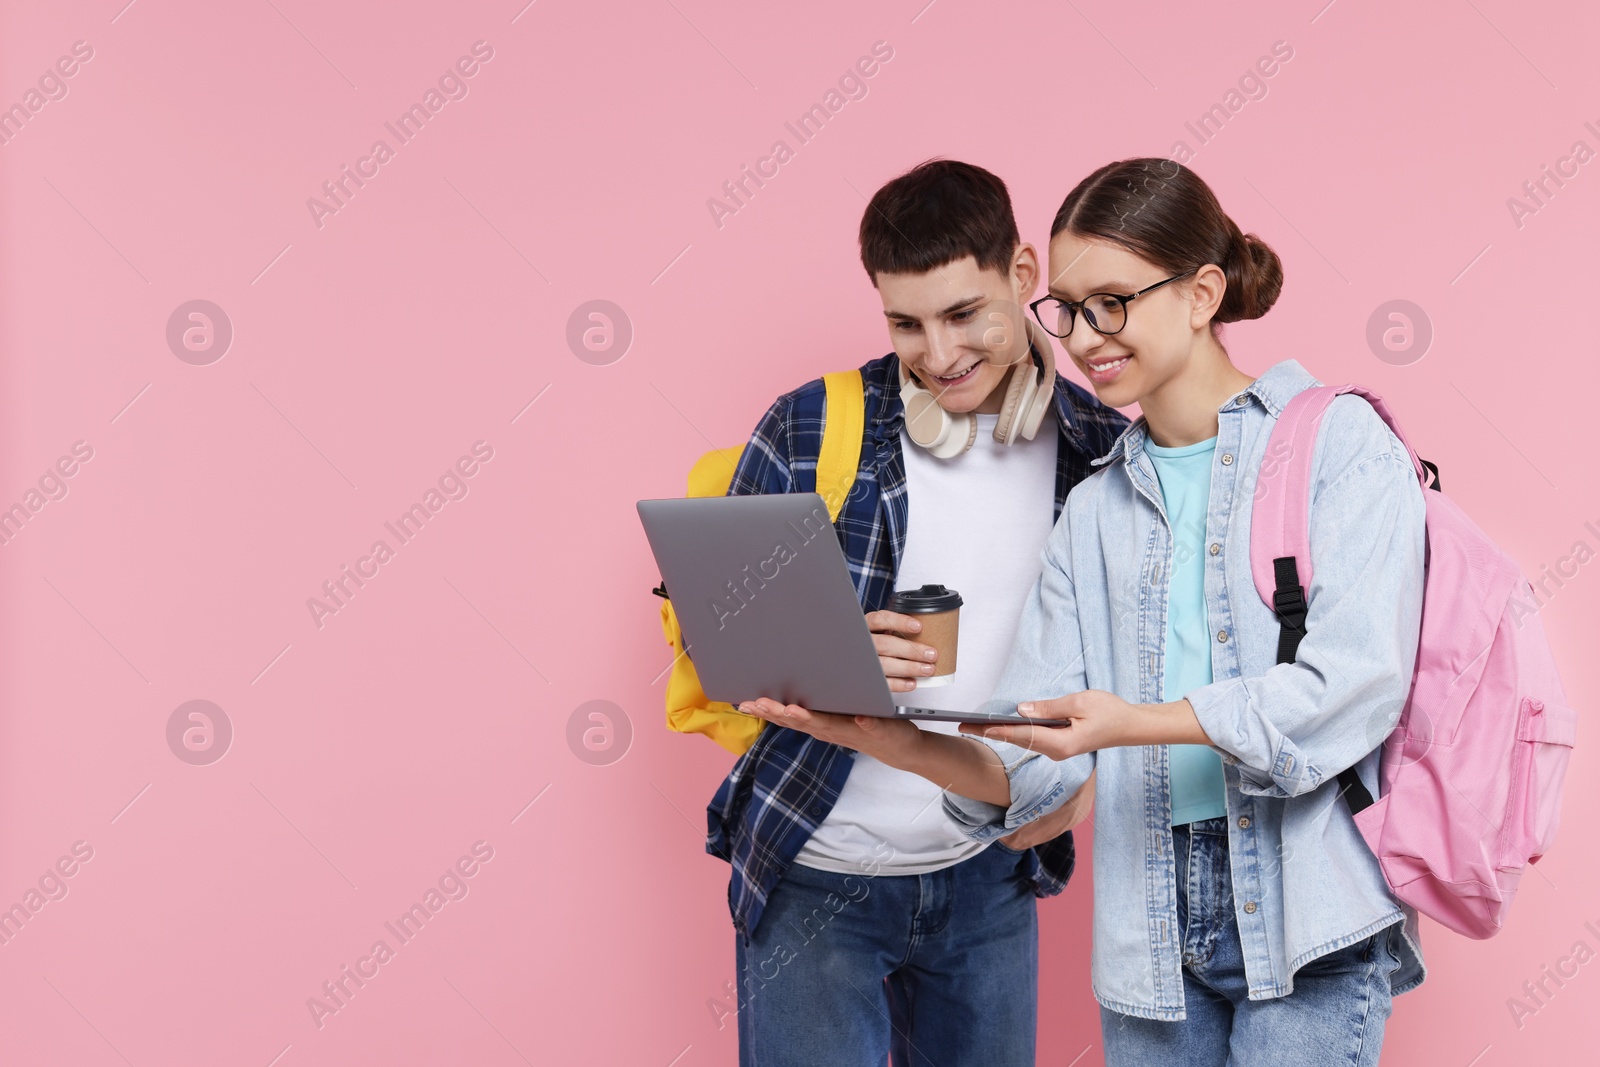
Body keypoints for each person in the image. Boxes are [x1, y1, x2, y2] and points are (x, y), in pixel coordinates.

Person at [742, 157, 1428, 1066]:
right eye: (1070, 311)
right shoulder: (1099, 503)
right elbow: (1035, 755)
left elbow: (1356, 685)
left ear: (1202, 292)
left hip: (1306, 904)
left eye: (1113, 302)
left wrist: (1132, 725)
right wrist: (876, 729)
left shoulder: (1335, 441)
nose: (1084, 336)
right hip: (1145, 925)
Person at [710, 159, 1123, 1067]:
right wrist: (824, 647)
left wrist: (1085, 789)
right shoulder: (810, 423)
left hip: (991, 878)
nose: (937, 354)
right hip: (816, 873)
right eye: (906, 323)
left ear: (1022, 277)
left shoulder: (1099, 452)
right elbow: (732, 655)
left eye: (963, 313)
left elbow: (1131, 669)